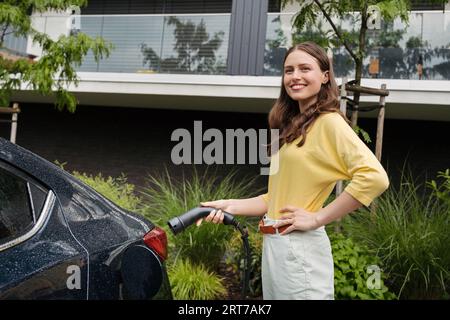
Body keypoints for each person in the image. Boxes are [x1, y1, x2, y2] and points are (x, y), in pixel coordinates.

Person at [198, 42, 389, 300]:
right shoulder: (294, 129)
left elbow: (375, 178)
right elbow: (273, 199)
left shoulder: (329, 123)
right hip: (276, 247)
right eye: (289, 70)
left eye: (304, 68)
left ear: (325, 77)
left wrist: (317, 218)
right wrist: (228, 205)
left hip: (299, 248)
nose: (295, 76)